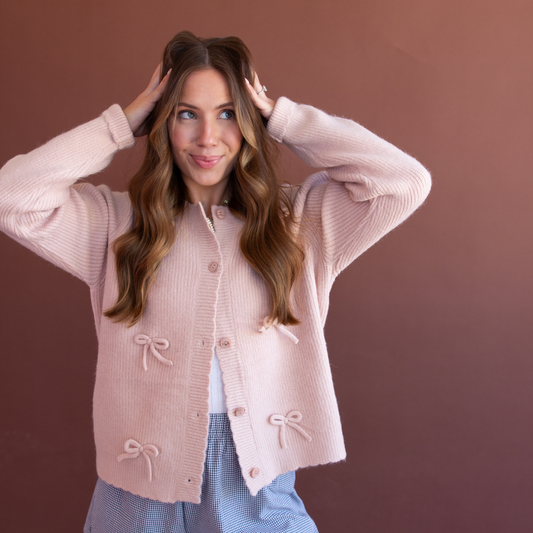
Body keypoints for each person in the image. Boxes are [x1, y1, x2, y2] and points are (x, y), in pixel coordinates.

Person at [0, 31, 431, 533]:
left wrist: (285, 120)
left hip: (250, 481)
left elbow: (404, 181)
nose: (208, 137)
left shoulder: (300, 223)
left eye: (228, 113)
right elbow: (12, 196)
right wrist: (120, 124)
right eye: (187, 114)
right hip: (136, 488)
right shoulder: (114, 225)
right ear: (162, 123)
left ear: (250, 121)